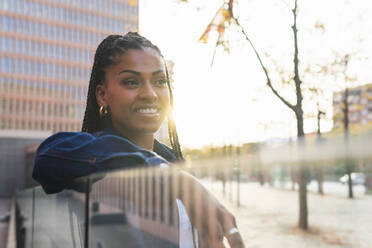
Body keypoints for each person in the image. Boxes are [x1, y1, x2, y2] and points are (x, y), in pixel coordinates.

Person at [33, 32, 244, 248]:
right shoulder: (89, 164)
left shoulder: (172, 163)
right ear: (102, 95)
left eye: (160, 81)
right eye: (131, 82)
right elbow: (46, 157)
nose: (150, 93)